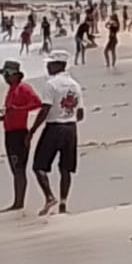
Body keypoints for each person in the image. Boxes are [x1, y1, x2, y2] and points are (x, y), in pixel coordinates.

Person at [31, 49, 84, 216]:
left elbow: (45, 108)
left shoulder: (51, 84)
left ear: (57, 65)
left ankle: (49, 196)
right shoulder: (75, 85)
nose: (47, 67)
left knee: (39, 166)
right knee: (66, 168)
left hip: (54, 127)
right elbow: (80, 113)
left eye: (49, 64)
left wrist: (32, 130)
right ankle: (63, 203)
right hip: (71, 128)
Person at [0, 60, 43, 211]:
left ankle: (19, 203)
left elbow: (37, 103)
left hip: (19, 133)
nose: (4, 77)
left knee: (19, 168)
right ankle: (17, 201)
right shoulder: (11, 90)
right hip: (9, 133)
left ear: (14, 75)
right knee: (14, 168)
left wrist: (19, 109)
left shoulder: (23, 88)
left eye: (6, 74)